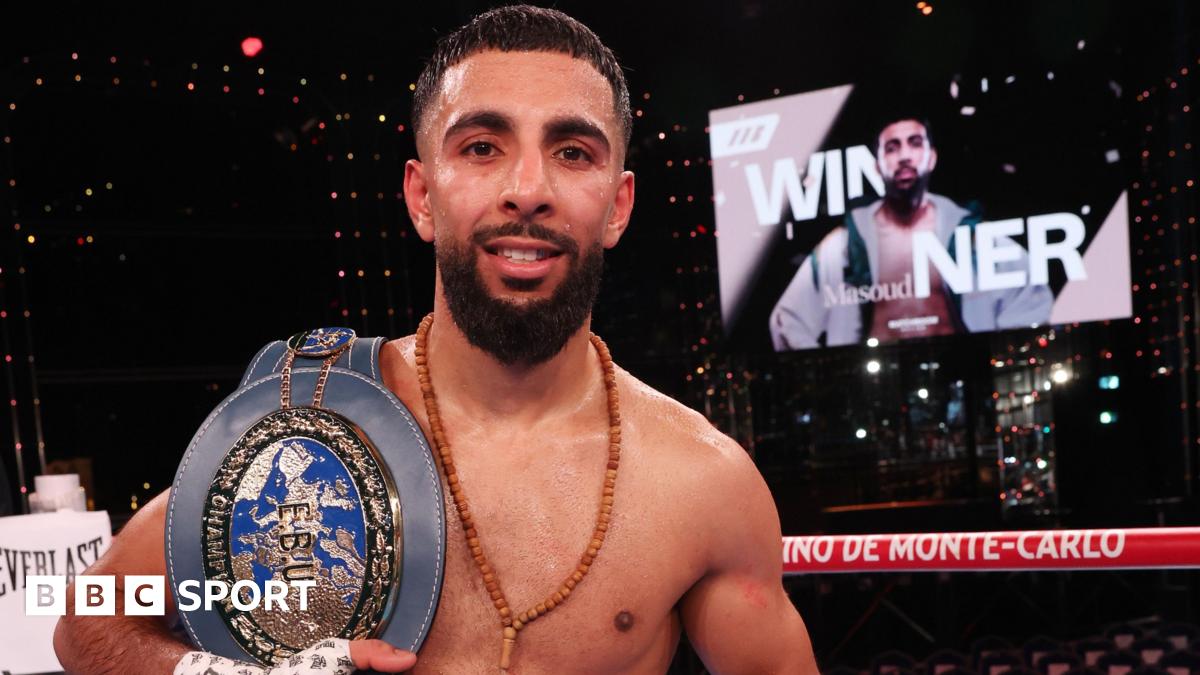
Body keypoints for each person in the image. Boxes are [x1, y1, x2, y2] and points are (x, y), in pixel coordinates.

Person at [53, 6, 818, 674]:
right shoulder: (308, 426)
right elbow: (92, 616)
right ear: (422, 196)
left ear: (618, 207)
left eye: (572, 151)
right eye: (482, 146)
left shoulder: (702, 484)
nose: (528, 187)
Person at [769, 116, 1053, 350]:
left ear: (931, 158)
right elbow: (787, 319)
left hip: (964, 370)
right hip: (876, 379)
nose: (904, 156)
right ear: (877, 166)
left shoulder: (972, 236)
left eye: (914, 144)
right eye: (892, 147)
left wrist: (1001, 351)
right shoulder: (842, 246)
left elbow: (1032, 297)